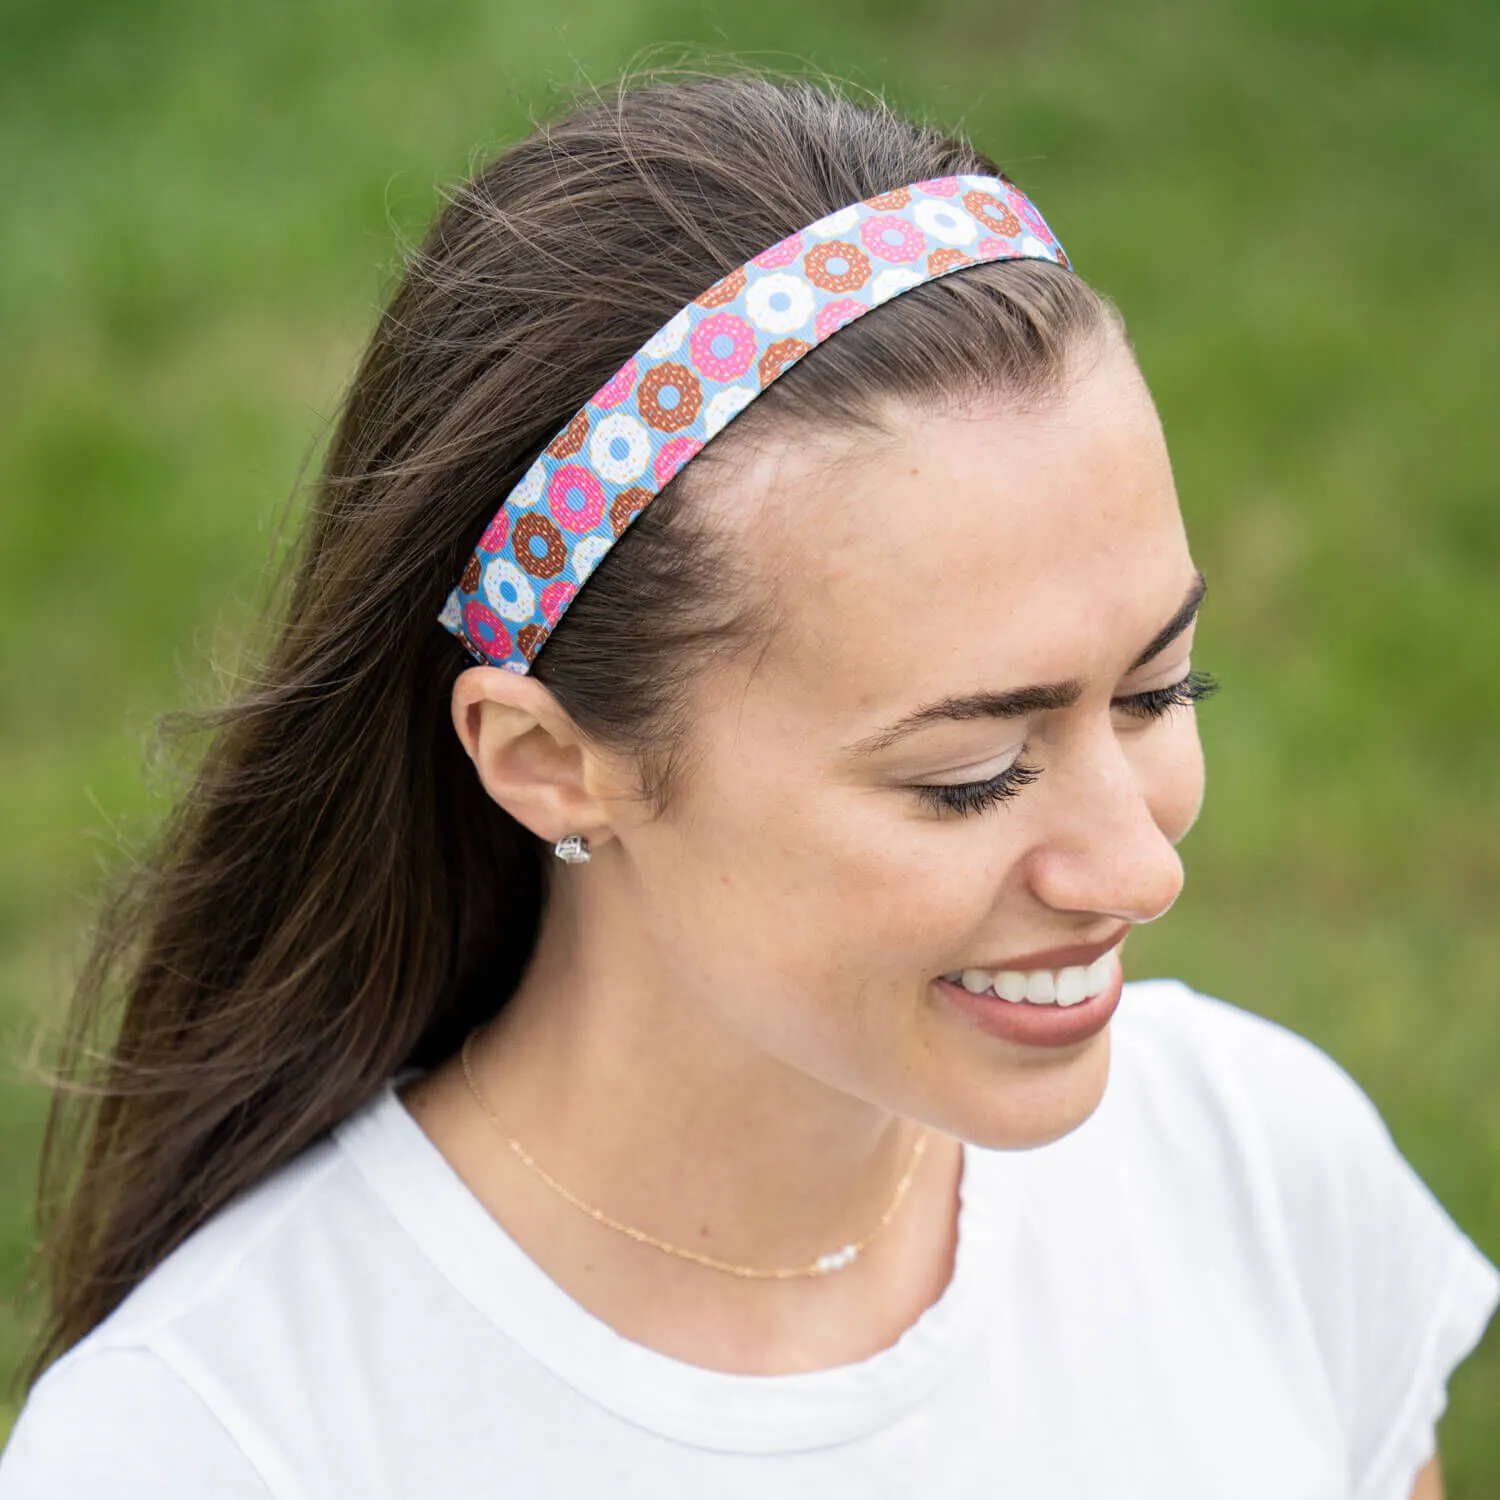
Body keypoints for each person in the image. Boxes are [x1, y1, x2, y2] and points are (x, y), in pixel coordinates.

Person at [0, 71, 1493, 1500]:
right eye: (971, 775)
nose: (1140, 870)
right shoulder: (217, 1447)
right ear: (548, 763)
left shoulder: (1265, 1176)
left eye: (1160, 692)